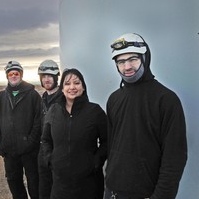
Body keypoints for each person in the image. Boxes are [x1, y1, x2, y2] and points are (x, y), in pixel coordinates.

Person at [105, 33, 187, 199]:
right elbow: (112, 147)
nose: (127, 67)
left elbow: (174, 158)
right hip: (112, 192)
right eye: (120, 61)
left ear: (145, 57)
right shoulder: (114, 99)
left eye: (133, 59)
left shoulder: (166, 100)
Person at [41, 68, 107, 199]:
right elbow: (46, 139)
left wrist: (95, 162)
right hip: (60, 183)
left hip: (89, 183)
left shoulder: (95, 111)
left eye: (77, 83)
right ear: (62, 88)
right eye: (67, 83)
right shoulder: (53, 111)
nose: (72, 87)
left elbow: (108, 141)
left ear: (83, 87)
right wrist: (50, 159)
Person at [0, 60, 41, 199]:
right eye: (11, 73)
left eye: (16, 73)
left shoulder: (33, 95)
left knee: (35, 185)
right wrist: (0, 143)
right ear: (7, 76)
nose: (13, 76)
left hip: (30, 152)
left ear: (21, 75)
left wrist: (30, 143)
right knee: (14, 184)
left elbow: (38, 122)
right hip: (9, 152)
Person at [37, 59, 62, 199]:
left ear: (56, 77)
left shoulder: (65, 98)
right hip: (43, 156)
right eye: (43, 76)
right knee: (44, 192)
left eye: (49, 76)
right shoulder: (42, 99)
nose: (46, 80)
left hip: (60, 154)